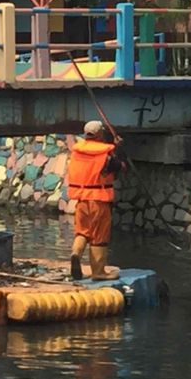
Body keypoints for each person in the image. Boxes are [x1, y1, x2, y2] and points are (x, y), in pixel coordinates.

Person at [68, 120, 125, 281]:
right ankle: (98, 272)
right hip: (99, 201)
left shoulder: (77, 152)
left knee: (82, 232)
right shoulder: (105, 155)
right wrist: (118, 148)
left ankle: (75, 253)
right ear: (100, 134)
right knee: (99, 237)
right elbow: (120, 167)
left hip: (81, 200)